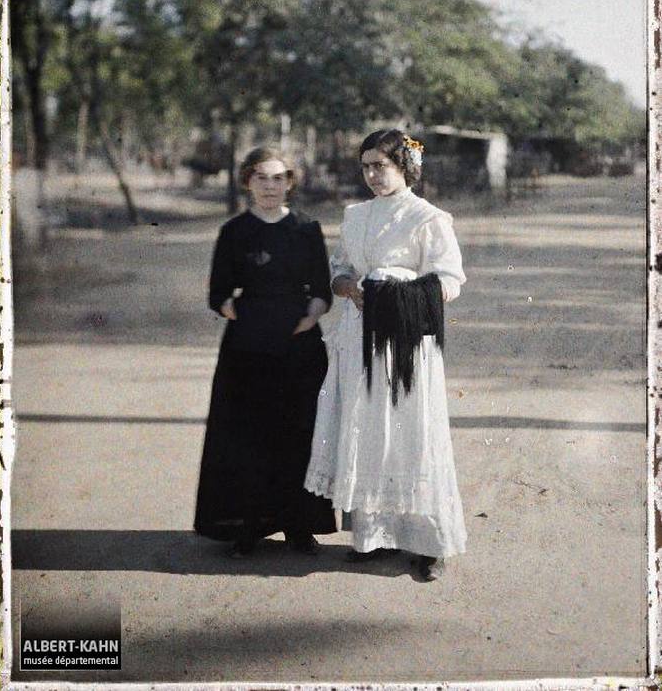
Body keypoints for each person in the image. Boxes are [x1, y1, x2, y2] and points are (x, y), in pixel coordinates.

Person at [304, 129, 466, 581]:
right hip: (360, 334)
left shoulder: (428, 218)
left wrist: (399, 292)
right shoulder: (355, 216)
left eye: (383, 165)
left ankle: (425, 544)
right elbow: (338, 271)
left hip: (407, 339)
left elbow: (450, 280)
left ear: (405, 167)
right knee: (369, 429)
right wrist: (352, 288)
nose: (374, 175)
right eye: (367, 166)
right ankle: (372, 537)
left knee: (412, 433)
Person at [194, 147, 336, 556]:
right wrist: (248, 318)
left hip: (300, 348)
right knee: (247, 436)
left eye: (278, 178)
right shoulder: (234, 232)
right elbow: (219, 294)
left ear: (290, 182)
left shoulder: (307, 230)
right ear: (247, 182)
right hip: (248, 351)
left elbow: (321, 290)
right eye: (261, 178)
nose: (270, 186)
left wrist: (309, 317)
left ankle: (299, 525)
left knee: (298, 433)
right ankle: (247, 525)